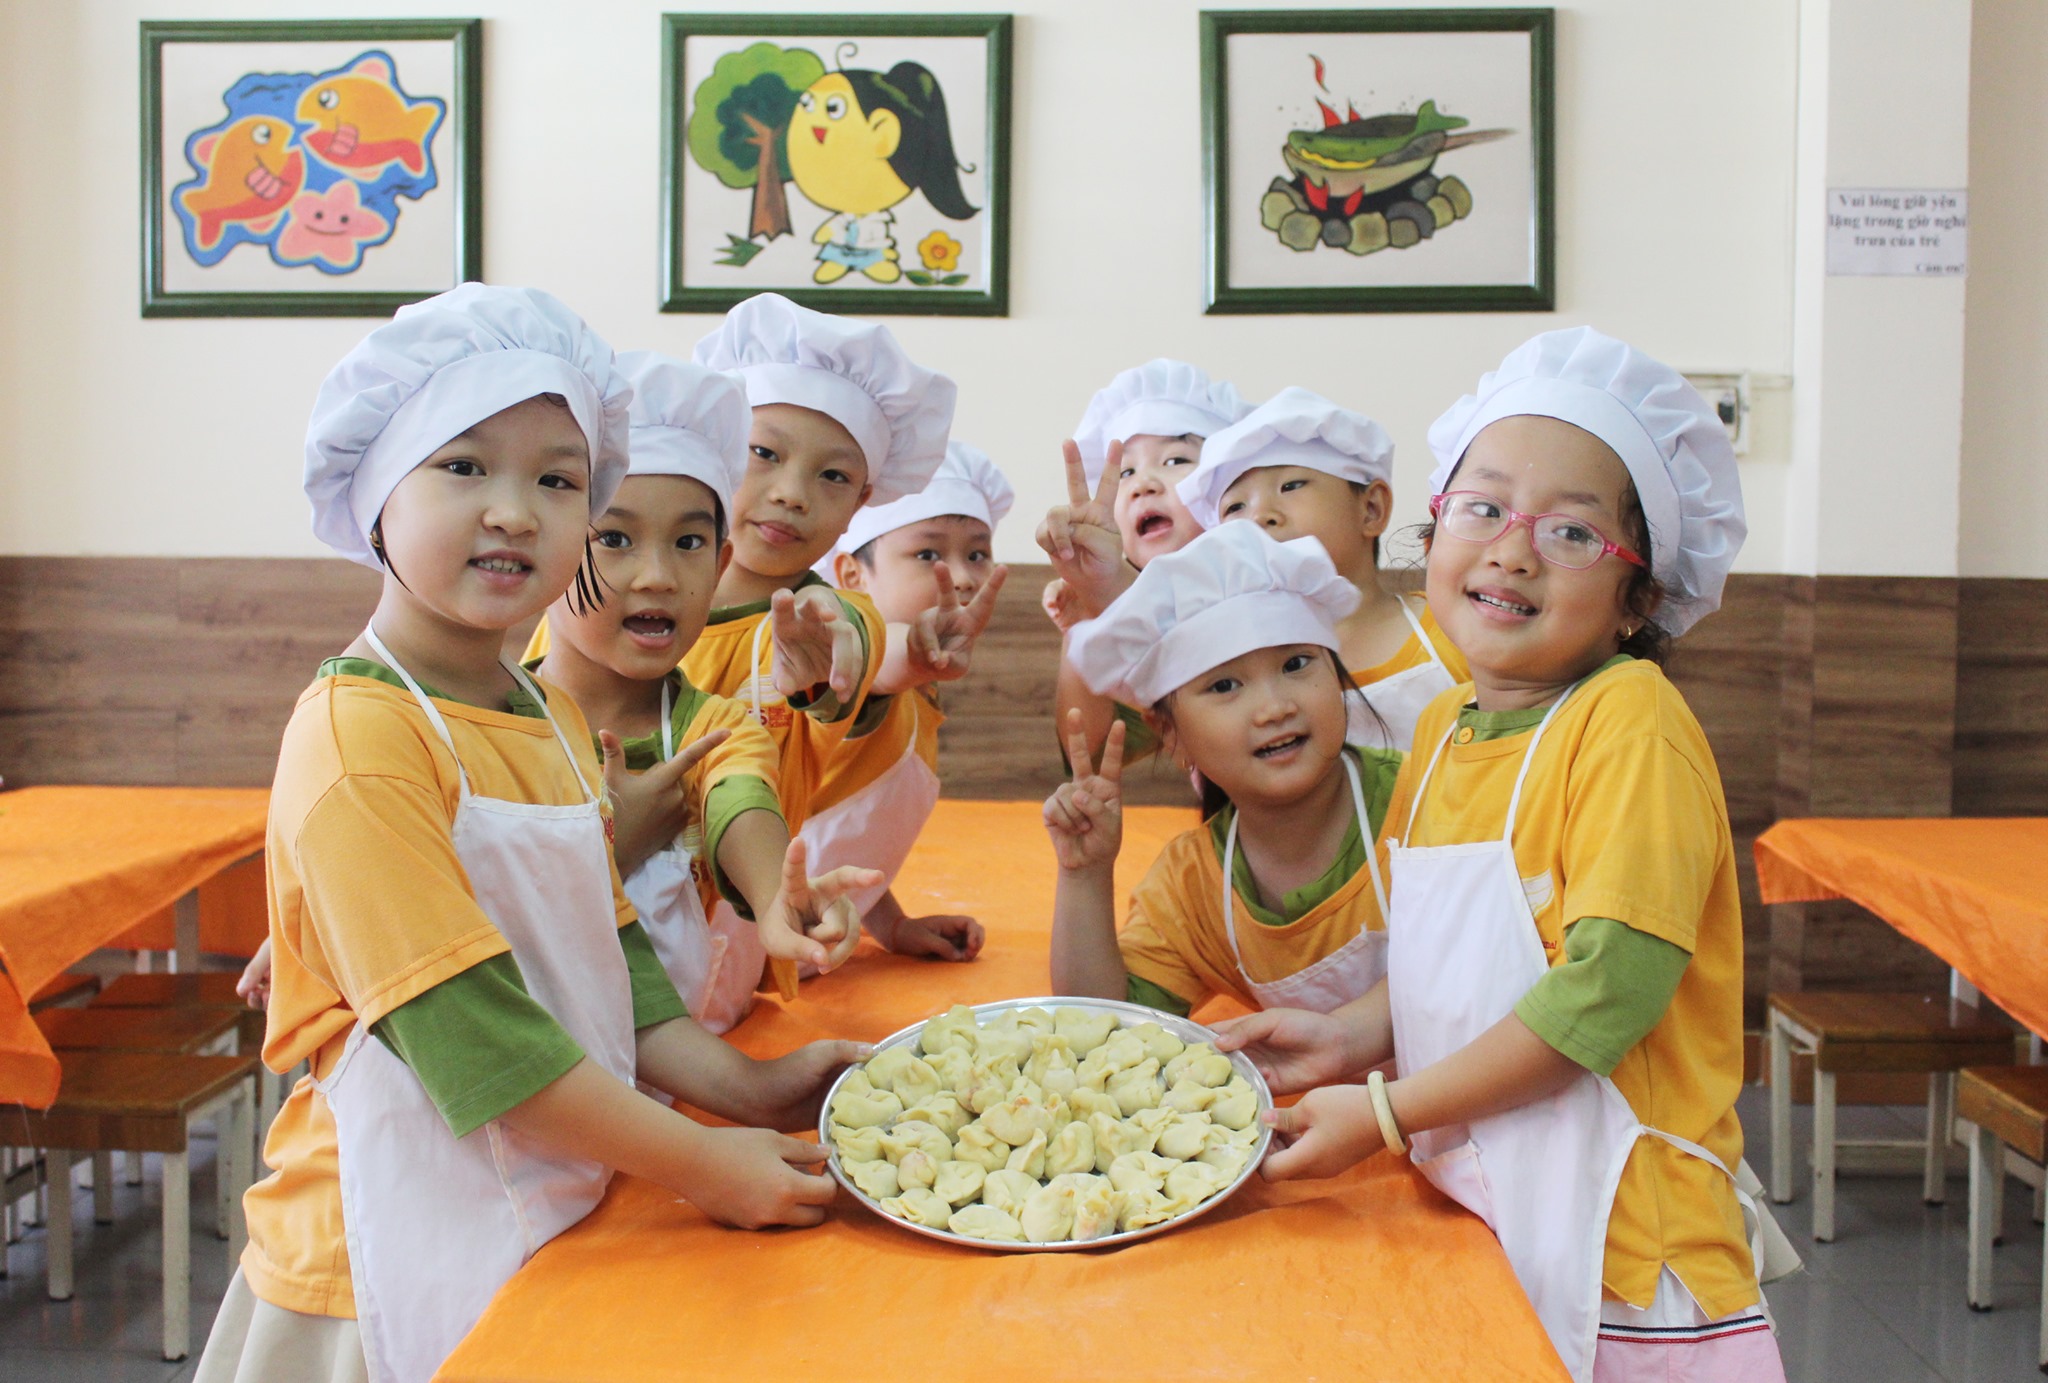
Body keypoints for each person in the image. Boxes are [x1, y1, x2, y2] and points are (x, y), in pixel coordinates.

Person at [197, 286, 874, 1383]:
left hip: (547, 1205)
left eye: (558, 481)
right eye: (465, 466)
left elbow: (610, 967)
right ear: (376, 498)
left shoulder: (545, 715)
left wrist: (749, 1089)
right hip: (371, 1261)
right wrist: (703, 1161)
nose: (515, 512)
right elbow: (472, 1037)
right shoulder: (359, 738)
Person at [1215, 328, 1784, 1383]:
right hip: (1481, 1203)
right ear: (1432, 531)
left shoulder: (1629, 722)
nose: (1511, 552)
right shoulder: (1443, 732)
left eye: (1571, 532)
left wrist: (1385, 1111)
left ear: (1640, 600)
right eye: (1481, 509)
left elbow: (1602, 997)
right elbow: (1458, 974)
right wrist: (1343, 1039)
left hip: (1623, 1247)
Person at [531, 351, 855, 1033]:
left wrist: (774, 897)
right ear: (548, 546)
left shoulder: (719, 730)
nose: (658, 574)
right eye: (614, 537)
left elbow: (742, 802)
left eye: (687, 542)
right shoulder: (479, 717)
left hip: (663, 1070)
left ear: (721, 562)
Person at [1044, 522, 1404, 1019]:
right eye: (1225, 686)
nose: (1274, 707)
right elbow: (1105, 1021)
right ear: (1171, 734)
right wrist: (1084, 874)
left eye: (1296, 664)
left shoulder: (1428, 799)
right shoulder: (1192, 889)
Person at [808, 440, 1014, 960]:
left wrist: (893, 925)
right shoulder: (839, 666)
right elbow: (878, 662)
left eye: (977, 554)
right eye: (928, 555)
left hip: (805, 947)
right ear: (852, 576)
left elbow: (847, 836)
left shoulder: (920, 693)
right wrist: (915, 657)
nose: (963, 577)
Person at [1177, 386, 1468, 752]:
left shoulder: (1455, 627)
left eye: (1290, 486)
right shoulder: (1227, 667)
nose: (1260, 516)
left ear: (1371, 509)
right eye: (1235, 508)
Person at [1039, 359, 1250, 766]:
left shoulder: (1271, 581)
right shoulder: (1130, 626)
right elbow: (1091, 752)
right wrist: (1084, 622)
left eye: (1175, 461)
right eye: (1125, 472)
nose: (1143, 484)